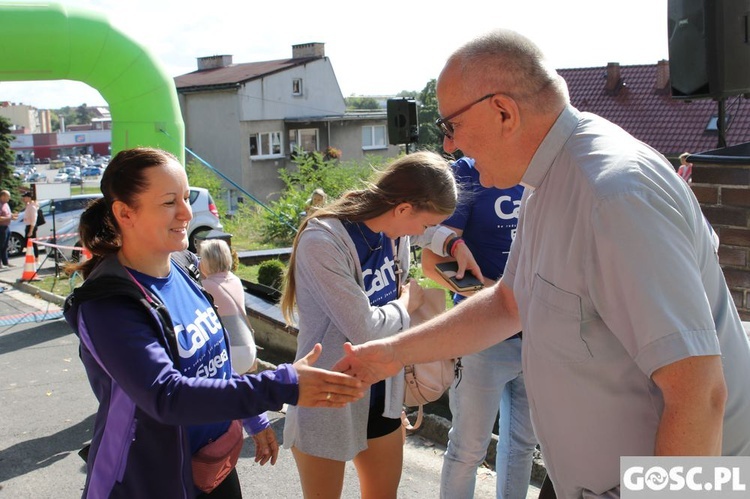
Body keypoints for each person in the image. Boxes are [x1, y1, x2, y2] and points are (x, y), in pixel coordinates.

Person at [335, 29, 750, 498]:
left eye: (450, 125)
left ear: (503, 112)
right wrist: (391, 354)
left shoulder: (614, 196)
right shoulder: (550, 179)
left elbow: (699, 392)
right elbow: (508, 302)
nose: (449, 146)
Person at [63, 147, 365, 499]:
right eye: (168, 202)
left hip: (211, 468)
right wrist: (284, 384)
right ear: (124, 213)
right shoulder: (109, 304)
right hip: (147, 481)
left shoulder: (183, 266)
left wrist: (251, 416)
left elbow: (214, 363)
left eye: (186, 197)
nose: (186, 213)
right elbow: (168, 395)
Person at [280, 151, 457, 498]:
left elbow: (382, 322)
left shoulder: (396, 235)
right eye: (425, 224)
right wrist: (407, 305)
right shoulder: (323, 241)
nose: (423, 234)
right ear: (403, 208)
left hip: (383, 397)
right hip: (327, 397)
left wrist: (453, 243)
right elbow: (365, 329)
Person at [419, 157, 533, 499]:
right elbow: (430, 262)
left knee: (522, 448)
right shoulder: (468, 173)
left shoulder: (541, 169)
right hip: (483, 337)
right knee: (468, 448)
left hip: (539, 337)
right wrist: (490, 300)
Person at [198, 238, 258, 374]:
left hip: (231, 353)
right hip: (248, 350)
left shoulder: (206, 286)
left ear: (207, 261)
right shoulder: (235, 280)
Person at [21, 191, 39, 258]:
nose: (24, 198)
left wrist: (31, 231)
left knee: (33, 243)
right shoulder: (28, 205)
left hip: (31, 226)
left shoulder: (32, 207)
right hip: (28, 225)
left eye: (25, 197)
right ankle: (32, 256)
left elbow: (34, 219)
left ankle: (36, 257)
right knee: (28, 243)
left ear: (29, 198)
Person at [0, 190, 12, 269]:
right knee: (1, 246)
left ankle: (6, 262)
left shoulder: (6, 204)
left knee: (5, 246)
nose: (9, 198)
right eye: (8, 196)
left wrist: (12, 216)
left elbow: (8, 215)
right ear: (3, 196)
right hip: (1, 228)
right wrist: (9, 217)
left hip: (7, 227)